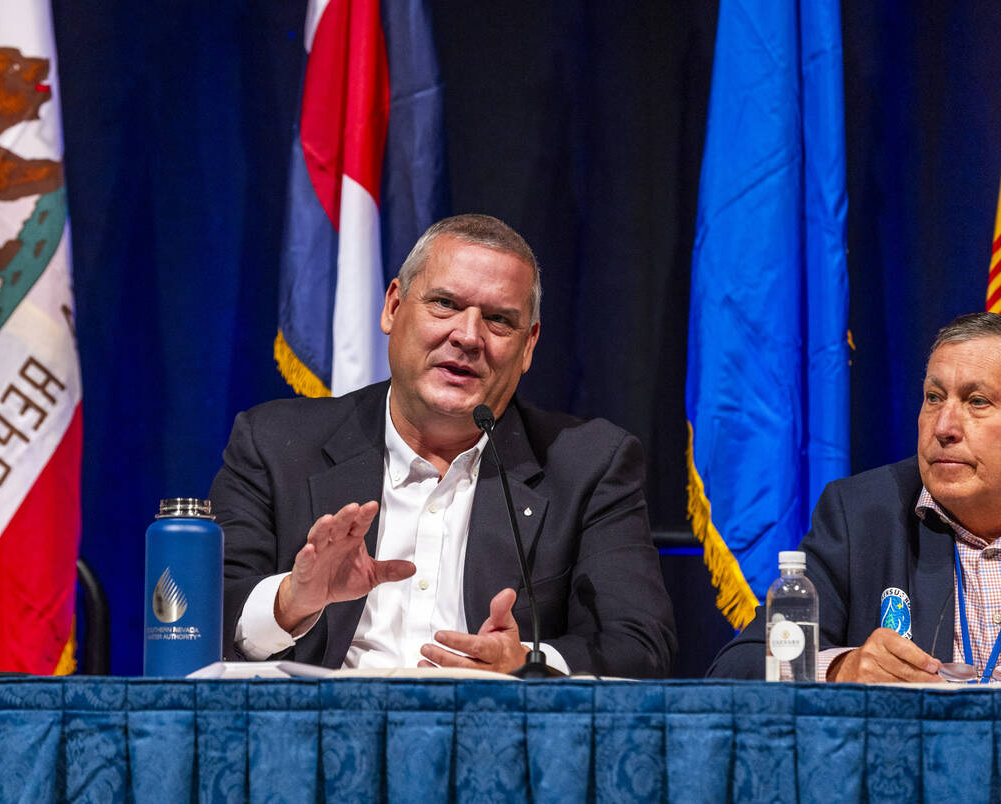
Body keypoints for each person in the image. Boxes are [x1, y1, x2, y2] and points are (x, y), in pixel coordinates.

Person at [213, 214, 676, 676]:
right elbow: (198, 622)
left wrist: (530, 664)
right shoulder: (275, 445)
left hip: (499, 735)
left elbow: (639, 645)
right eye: (445, 304)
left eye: (498, 320)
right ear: (394, 306)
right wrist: (291, 601)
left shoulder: (588, 466)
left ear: (529, 345)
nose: (468, 337)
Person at [708, 311, 1001, 682]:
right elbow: (739, 667)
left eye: (976, 401)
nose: (943, 427)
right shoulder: (861, 514)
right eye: (933, 397)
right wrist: (838, 670)